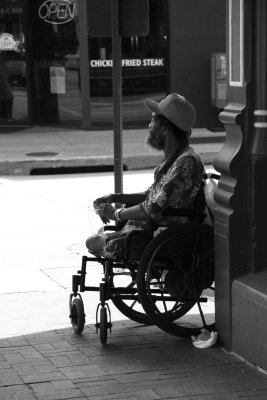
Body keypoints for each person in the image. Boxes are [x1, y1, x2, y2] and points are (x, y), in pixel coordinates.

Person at [86, 93, 205, 258]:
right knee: (98, 235)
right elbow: (150, 195)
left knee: (93, 242)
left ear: (166, 129)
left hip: (161, 236)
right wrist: (114, 197)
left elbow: (152, 207)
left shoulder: (186, 162)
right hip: (148, 230)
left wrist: (115, 213)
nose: (149, 126)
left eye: (153, 121)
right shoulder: (175, 159)